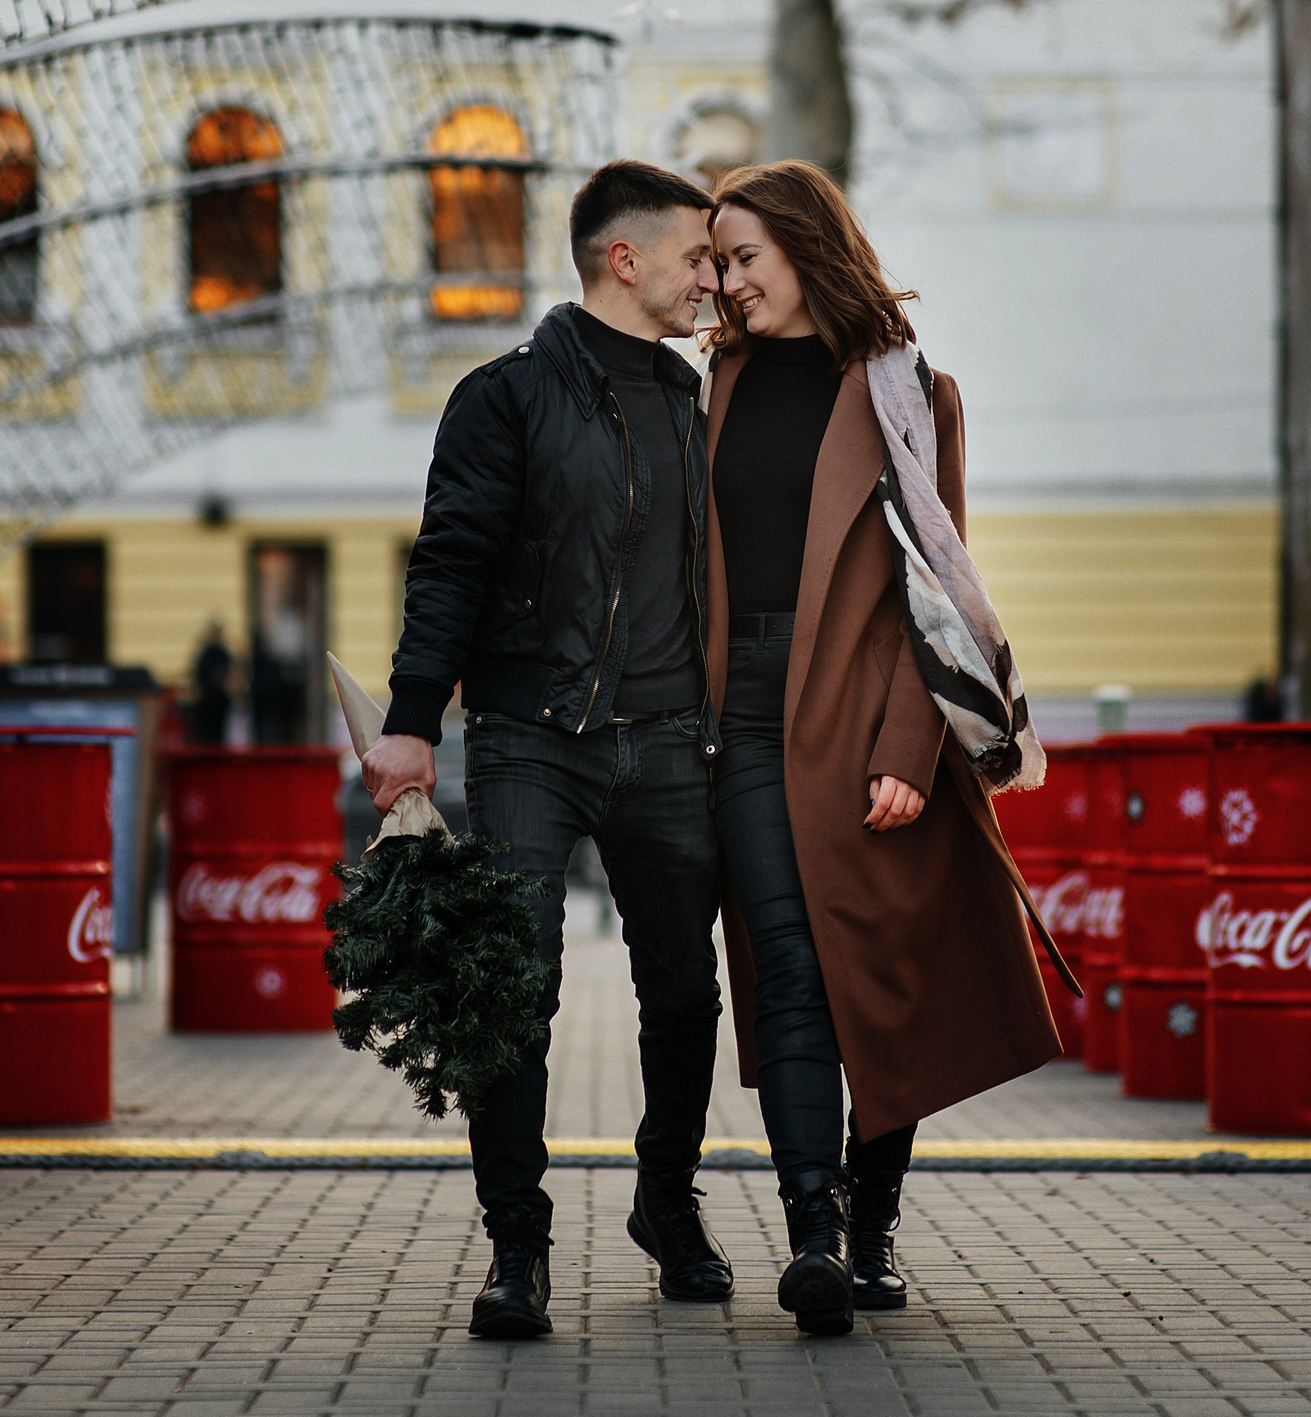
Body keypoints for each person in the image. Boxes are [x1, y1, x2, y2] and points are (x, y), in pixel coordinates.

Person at [359, 158, 731, 1340]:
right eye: (695, 257)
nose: (710, 279)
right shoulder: (505, 396)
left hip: (667, 737)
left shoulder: (694, 399)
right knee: (512, 986)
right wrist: (411, 719)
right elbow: (450, 561)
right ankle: (517, 1243)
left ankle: (666, 1202)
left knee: (685, 988)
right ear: (625, 259)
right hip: (531, 732)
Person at [702, 160, 1065, 1337]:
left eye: (744, 256)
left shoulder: (913, 393)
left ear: (806, 248)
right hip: (740, 713)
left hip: (863, 708)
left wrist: (911, 742)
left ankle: (871, 1228)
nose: (727, 280)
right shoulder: (714, 381)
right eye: (718, 260)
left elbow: (938, 587)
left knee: (875, 972)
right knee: (787, 963)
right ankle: (812, 1229)